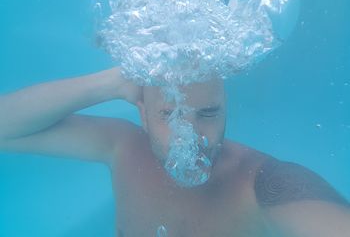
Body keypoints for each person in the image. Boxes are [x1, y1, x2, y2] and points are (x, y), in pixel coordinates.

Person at [0, 66, 349, 237]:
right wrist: (114, 82)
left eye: (209, 113)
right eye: (169, 114)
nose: (190, 137)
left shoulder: (266, 185)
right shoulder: (121, 145)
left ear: (227, 108)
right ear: (142, 114)